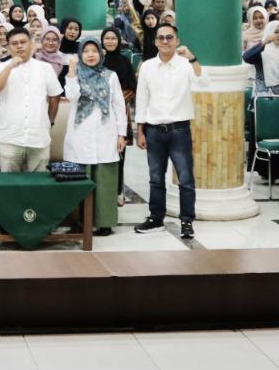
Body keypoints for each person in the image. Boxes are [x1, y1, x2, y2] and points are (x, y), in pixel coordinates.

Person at [132, 23, 203, 239]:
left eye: (169, 37)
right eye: (161, 38)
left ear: (176, 41)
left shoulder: (185, 65)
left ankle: (187, 221)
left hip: (179, 130)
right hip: (154, 130)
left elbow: (203, 81)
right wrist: (140, 130)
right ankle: (156, 218)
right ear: (155, 42)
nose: (165, 41)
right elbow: (142, 100)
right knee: (155, 177)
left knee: (186, 178)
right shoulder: (147, 67)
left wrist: (192, 58)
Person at [64, 39, 128, 237]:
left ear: (101, 54)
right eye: (86, 51)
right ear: (80, 54)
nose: (90, 55)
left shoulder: (111, 76)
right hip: (79, 134)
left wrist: (122, 134)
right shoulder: (74, 75)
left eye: (94, 51)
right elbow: (72, 96)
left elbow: (118, 106)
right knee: (80, 180)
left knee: (105, 180)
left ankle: (104, 222)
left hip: (105, 133)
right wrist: (72, 72)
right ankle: (79, 221)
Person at [0, 26, 64, 172]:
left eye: (23, 42)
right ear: (8, 47)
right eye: (14, 43)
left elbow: (55, 96)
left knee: (39, 185)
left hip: (39, 137)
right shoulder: (1, 67)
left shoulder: (45, 68)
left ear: (31, 44)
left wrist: (50, 121)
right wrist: (10, 65)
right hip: (10, 137)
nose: (19, 46)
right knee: (9, 185)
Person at [242, 21, 279, 98]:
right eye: (276, 32)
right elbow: (246, 57)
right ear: (269, 32)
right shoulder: (262, 51)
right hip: (262, 96)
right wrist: (264, 42)